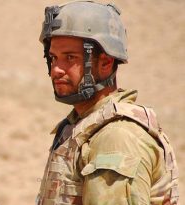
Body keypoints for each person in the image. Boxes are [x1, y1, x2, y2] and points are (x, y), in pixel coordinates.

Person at [35, 1, 178, 205]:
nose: (56, 69)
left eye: (70, 57)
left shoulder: (116, 138)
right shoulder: (81, 126)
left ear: (105, 63)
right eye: (54, 57)